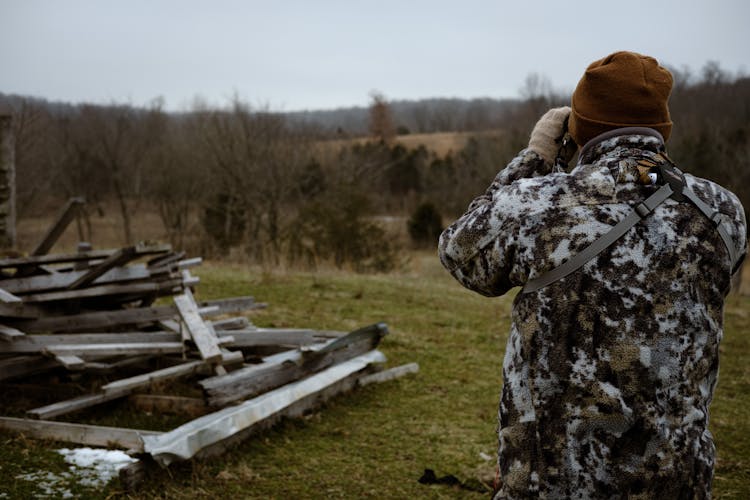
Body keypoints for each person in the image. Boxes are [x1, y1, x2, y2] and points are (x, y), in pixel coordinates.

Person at [438, 51, 747, 498]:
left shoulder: (537, 204)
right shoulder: (722, 211)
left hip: (557, 480)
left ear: (576, 127)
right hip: (677, 476)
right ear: (663, 130)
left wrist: (536, 157)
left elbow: (460, 254)